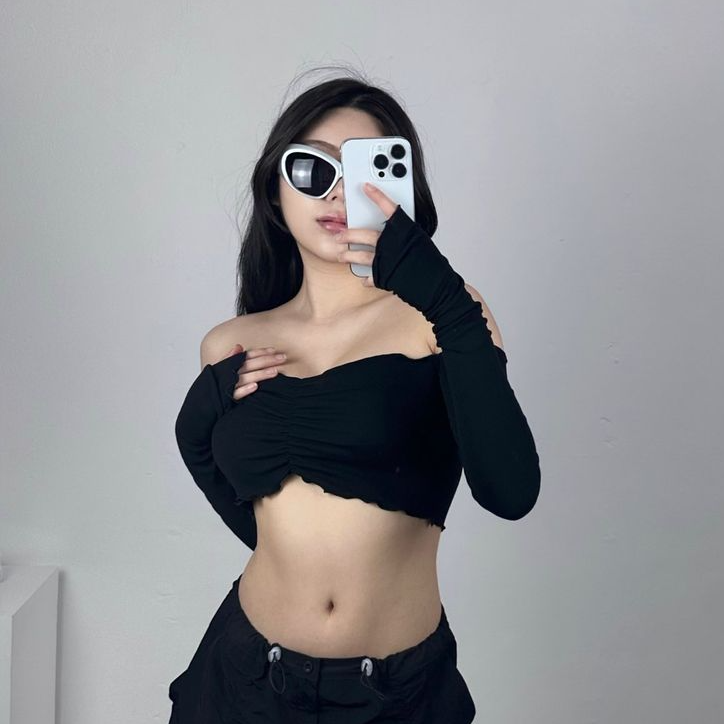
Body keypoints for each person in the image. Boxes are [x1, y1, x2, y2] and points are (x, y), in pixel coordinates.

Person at [169, 73, 541, 724]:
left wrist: (445, 297)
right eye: (313, 168)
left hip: (397, 697)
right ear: (275, 188)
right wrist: (194, 427)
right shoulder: (231, 343)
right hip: (242, 680)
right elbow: (266, 529)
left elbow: (510, 491)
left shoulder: (441, 315)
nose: (338, 191)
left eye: (366, 168)